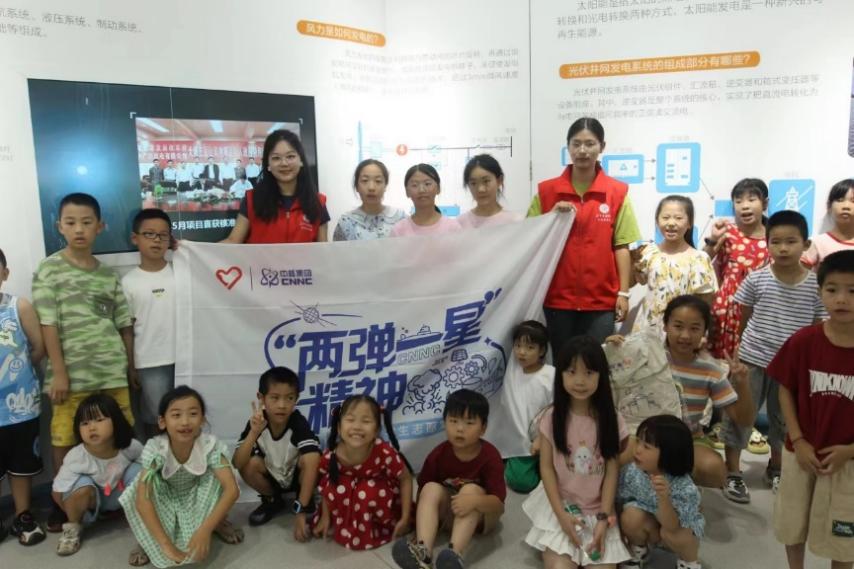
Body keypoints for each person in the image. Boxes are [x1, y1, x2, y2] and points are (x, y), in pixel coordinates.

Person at [31, 192, 135, 532]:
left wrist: (129, 367)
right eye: (71, 222)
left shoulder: (108, 275)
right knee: (64, 438)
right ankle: (63, 503)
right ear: (59, 226)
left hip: (111, 372)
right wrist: (58, 372)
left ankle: (117, 498)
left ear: (99, 227)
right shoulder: (49, 269)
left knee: (120, 435)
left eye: (87, 222)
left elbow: (123, 323)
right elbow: (48, 323)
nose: (79, 229)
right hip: (70, 375)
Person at [719, 211, 826, 504]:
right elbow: (744, 318)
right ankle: (733, 471)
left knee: (784, 420)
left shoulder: (815, 286)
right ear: (767, 244)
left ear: (805, 245)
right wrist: (741, 354)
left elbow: (817, 327)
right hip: (753, 359)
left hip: (792, 367)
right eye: (775, 242)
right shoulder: (757, 279)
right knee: (740, 416)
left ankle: (776, 467)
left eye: (791, 241)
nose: (783, 248)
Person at [768, 250, 854, 569]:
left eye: (853, 290)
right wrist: (799, 439)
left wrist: (850, 451)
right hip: (800, 452)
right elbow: (786, 390)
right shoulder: (804, 341)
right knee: (793, 521)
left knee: (843, 535)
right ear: (820, 293)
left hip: (847, 460)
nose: (842, 299)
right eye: (832, 289)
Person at [528, 117, 642, 350]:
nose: (582, 150)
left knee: (596, 362)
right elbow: (531, 237)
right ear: (568, 147)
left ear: (602, 147)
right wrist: (551, 217)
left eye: (590, 144)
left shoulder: (616, 192)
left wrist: (623, 293)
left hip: (601, 301)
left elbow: (621, 246)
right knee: (562, 362)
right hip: (557, 299)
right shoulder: (547, 192)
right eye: (576, 143)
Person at [521, 335, 631, 568]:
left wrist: (603, 518)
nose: (580, 381)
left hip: (599, 509)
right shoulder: (551, 417)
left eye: (589, 372)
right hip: (562, 504)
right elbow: (546, 468)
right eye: (571, 372)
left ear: (601, 375)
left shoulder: (612, 419)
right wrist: (561, 516)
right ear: (560, 374)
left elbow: (612, 472)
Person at [119, 386, 243, 568]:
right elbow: (142, 501)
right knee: (141, 486)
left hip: (195, 495)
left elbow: (232, 490)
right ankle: (146, 539)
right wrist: (166, 546)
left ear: (202, 420)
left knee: (222, 477)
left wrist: (205, 530)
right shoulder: (155, 448)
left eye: (193, 414)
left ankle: (217, 524)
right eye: (176, 415)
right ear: (162, 422)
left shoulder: (210, 445)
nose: (185, 422)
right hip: (166, 497)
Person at [392, 389, 505, 569]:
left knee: (470, 490)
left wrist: (474, 501)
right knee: (430, 488)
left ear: (483, 428)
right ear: (444, 423)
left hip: (481, 516)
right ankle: (423, 553)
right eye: (453, 421)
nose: (460, 428)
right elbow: (423, 495)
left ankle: (453, 556)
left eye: (469, 423)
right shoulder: (438, 454)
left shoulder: (490, 457)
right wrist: (419, 529)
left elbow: (498, 504)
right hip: (448, 514)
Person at [662, 295, 755, 488]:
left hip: (689, 439)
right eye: (678, 326)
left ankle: (677, 484)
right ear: (665, 326)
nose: (685, 336)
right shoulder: (649, 357)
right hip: (646, 437)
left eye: (694, 328)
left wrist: (743, 384)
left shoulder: (710, 369)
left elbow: (743, 420)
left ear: (704, 331)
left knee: (715, 470)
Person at [312, 394, 413, 550]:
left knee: (365, 491)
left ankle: (375, 527)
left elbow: (405, 479)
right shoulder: (332, 455)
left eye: (366, 421)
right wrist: (325, 517)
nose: (357, 427)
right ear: (338, 427)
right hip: (347, 500)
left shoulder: (384, 452)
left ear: (377, 430)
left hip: (379, 502)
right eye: (350, 420)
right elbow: (327, 485)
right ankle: (340, 522)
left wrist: (405, 518)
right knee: (336, 484)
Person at [232, 367, 320, 541]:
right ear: (261, 398)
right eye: (275, 397)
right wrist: (254, 433)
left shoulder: (297, 422)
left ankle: (304, 500)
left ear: (296, 399)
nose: (282, 405)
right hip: (273, 477)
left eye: (289, 398)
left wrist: (300, 512)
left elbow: (313, 459)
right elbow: (237, 463)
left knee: (312, 457)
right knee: (248, 464)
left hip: (296, 478)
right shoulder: (257, 422)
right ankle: (273, 501)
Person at [51, 394, 143, 557]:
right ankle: (72, 530)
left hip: (119, 495)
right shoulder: (76, 456)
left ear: (116, 421)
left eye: (99, 420)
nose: (91, 428)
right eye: (85, 423)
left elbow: (151, 472)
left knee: (141, 472)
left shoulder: (130, 446)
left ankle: (143, 523)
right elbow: (58, 491)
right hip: (94, 502)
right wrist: (75, 514)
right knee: (82, 485)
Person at [0, 247, 46, 546]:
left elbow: (38, 348)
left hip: (20, 404)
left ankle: (23, 515)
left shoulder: (19, 307)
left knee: (21, 464)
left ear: (4, 273)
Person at [619, 415, 704, 569]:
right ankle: (638, 550)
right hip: (651, 525)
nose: (637, 450)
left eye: (646, 447)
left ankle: (689, 562)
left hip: (675, 529)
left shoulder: (684, 488)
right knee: (630, 516)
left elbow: (672, 526)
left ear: (669, 453)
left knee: (675, 535)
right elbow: (619, 499)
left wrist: (663, 498)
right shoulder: (633, 471)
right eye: (638, 441)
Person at [122, 209, 176, 439]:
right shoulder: (128, 282)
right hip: (149, 362)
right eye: (149, 234)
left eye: (163, 235)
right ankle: (156, 458)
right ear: (135, 238)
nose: (156, 240)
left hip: (185, 359)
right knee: (156, 418)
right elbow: (127, 329)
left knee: (185, 413)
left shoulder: (181, 273)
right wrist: (131, 366)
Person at [221, 130, 329, 244]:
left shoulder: (318, 203)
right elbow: (233, 241)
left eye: (290, 156)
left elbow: (322, 249)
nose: (284, 163)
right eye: (276, 158)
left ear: (301, 161)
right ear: (268, 165)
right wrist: (206, 252)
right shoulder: (252, 200)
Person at [703, 178, 770, 359]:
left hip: (761, 311)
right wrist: (713, 240)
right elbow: (702, 262)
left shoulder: (774, 238)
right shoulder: (727, 233)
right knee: (720, 363)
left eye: (751, 199)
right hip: (725, 309)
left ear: (765, 204)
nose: (745, 206)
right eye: (739, 201)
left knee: (750, 365)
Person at [633, 196, 716, 331]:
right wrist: (634, 264)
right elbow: (639, 280)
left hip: (683, 332)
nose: (671, 223)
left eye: (678, 218)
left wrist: (700, 332)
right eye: (665, 217)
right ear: (657, 221)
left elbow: (705, 302)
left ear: (690, 223)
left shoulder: (699, 258)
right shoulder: (648, 252)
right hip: (648, 328)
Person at [499, 320, 554, 493]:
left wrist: (542, 439)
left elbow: (559, 412)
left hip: (547, 438)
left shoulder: (551, 375)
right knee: (520, 482)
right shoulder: (513, 372)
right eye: (518, 346)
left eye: (530, 347)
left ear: (542, 350)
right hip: (523, 443)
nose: (522, 352)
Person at [333, 159, 405, 241]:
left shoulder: (400, 218)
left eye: (378, 181)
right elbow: (337, 249)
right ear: (356, 186)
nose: (371, 187)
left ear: (385, 185)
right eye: (365, 181)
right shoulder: (346, 222)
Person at [389, 164, 462, 237]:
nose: (421, 190)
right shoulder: (398, 230)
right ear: (407, 192)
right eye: (415, 185)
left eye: (427, 184)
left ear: (438, 188)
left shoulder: (453, 228)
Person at [457, 154, 523, 229]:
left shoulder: (515, 222)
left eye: (486, 181)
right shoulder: (460, 224)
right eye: (473, 183)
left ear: (499, 180)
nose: (480, 189)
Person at [801, 178, 854, 270]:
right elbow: (800, 276)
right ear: (829, 206)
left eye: (853, 201)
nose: (846, 206)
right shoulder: (816, 243)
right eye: (840, 200)